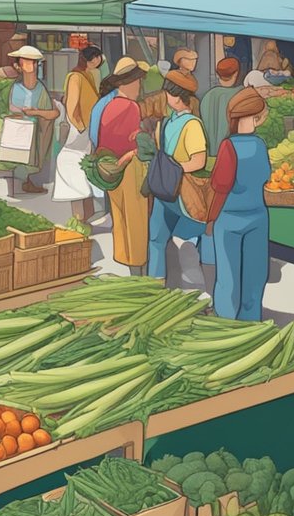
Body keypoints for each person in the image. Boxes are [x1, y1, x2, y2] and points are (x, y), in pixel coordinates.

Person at [207, 88, 272, 321]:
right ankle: (250, 322)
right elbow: (265, 177)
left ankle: (225, 322)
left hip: (229, 219)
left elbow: (220, 186)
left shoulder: (228, 146)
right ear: (252, 117)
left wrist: (211, 218)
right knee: (254, 275)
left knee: (229, 277)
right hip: (257, 217)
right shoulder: (260, 145)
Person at [147, 70, 208, 282]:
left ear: (177, 97)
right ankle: (154, 285)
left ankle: (197, 285)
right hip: (165, 190)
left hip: (182, 190)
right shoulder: (167, 121)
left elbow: (198, 160)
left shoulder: (192, 125)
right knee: (155, 238)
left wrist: (173, 168)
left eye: (168, 93)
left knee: (184, 238)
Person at [94, 58, 151, 274]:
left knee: (120, 217)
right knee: (136, 216)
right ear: (125, 83)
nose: (139, 86)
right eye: (137, 81)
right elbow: (133, 140)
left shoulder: (109, 106)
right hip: (130, 166)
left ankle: (126, 260)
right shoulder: (130, 107)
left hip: (110, 168)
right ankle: (138, 266)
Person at [52, 46, 105, 222]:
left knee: (85, 168)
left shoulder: (92, 75)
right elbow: (72, 106)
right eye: (93, 58)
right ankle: (79, 216)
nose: (97, 61)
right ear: (86, 59)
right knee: (74, 166)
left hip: (89, 127)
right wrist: (81, 127)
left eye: (98, 57)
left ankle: (86, 213)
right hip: (80, 130)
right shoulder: (76, 77)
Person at [6, 45, 61, 195]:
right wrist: (22, 112)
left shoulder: (40, 89)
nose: (30, 65)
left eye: (33, 62)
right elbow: (12, 107)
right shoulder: (16, 87)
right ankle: (25, 181)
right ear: (18, 65)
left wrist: (35, 112)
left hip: (38, 131)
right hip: (21, 130)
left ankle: (31, 180)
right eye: (26, 61)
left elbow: (52, 113)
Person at [200, 58, 243, 156]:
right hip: (232, 153)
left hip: (209, 155)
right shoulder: (240, 94)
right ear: (236, 73)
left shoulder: (208, 96)